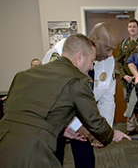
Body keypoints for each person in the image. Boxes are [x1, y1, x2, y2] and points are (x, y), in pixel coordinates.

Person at [0, 34, 130, 168]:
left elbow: (21, 111)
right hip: (33, 150)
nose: (92, 67)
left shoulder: (23, 75)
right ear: (79, 57)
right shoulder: (77, 80)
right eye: (92, 61)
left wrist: (61, 127)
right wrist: (112, 134)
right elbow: (93, 120)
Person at [42, 22, 120, 168]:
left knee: (86, 158)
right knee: (55, 157)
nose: (110, 54)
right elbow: (53, 97)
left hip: (85, 114)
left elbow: (107, 98)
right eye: (108, 48)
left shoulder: (108, 61)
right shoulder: (62, 51)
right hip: (56, 117)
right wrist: (77, 126)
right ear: (94, 41)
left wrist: (104, 133)